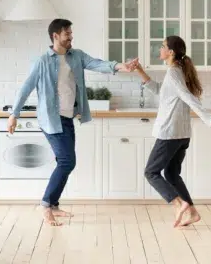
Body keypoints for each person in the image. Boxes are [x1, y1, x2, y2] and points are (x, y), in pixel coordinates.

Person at [8, 19, 138, 226]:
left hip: (68, 118)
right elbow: (26, 88)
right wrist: (14, 114)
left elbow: (98, 64)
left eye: (71, 32)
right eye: (67, 33)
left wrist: (122, 66)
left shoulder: (76, 56)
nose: (71, 37)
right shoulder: (43, 61)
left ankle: (55, 205)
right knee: (68, 161)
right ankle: (45, 205)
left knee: (64, 162)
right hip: (51, 119)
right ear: (55, 36)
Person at [134, 35, 211, 228]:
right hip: (181, 134)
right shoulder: (177, 71)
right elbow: (158, 90)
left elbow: (187, 97)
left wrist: (208, 117)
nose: (160, 49)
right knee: (172, 174)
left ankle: (178, 203)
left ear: (170, 52)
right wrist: (139, 70)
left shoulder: (174, 72)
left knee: (151, 172)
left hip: (170, 133)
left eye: (162, 46)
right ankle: (193, 213)